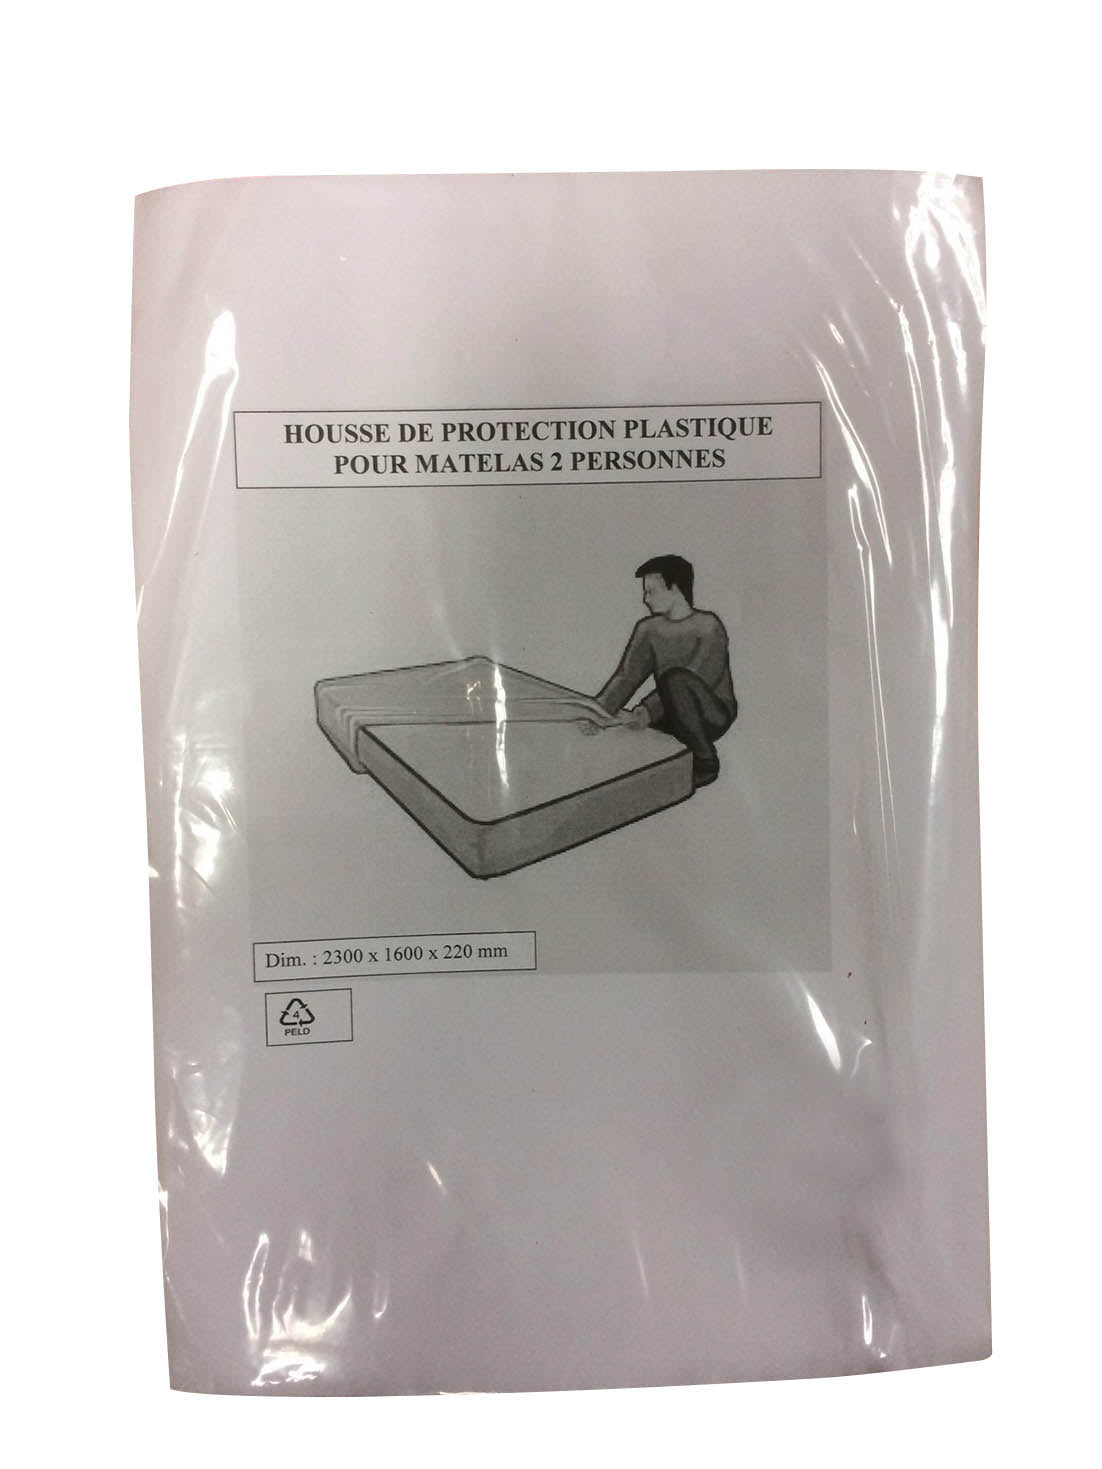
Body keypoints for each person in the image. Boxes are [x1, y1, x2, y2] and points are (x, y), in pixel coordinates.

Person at [580, 555, 737, 787]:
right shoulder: (648, 629)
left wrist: (647, 711)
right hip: (668, 711)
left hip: (711, 714)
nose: (645, 599)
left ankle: (706, 762)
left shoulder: (709, 626)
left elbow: (701, 675)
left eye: (651, 592)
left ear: (674, 589)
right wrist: (599, 711)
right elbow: (626, 676)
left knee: (675, 679)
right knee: (627, 732)